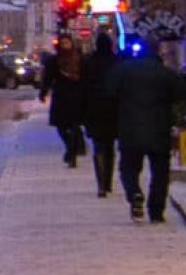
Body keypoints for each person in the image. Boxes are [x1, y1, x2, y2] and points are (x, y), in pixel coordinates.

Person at [107, 29, 186, 224]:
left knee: (129, 168)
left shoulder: (123, 71)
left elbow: (108, 93)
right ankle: (156, 210)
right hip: (159, 129)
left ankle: (134, 193)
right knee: (160, 172)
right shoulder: (166, 73)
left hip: (130, 129)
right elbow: (180, 95)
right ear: (158, 52)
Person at [82, 30, 124, 198]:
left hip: (94, 109)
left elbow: (83, 88)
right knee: (110, 147)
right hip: (114, 109)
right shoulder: (117, 62)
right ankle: (108, 182)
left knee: (98, 146)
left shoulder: (89, 63)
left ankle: (100, 185)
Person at [38, 36, 89, 168]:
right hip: (61, 95)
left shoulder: (80, 59)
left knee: (74, 125)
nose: (65, 45)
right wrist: (43, 92)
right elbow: (48, 78)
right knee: (61, 126)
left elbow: (87, 77)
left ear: (71, 43)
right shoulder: (54, 60)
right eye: (63, 43)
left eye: (67, 42)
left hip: (77, 95)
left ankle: (71, 153)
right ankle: (70, 148)